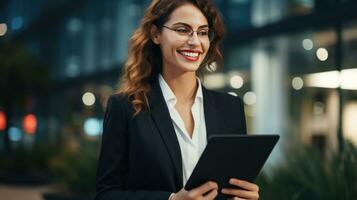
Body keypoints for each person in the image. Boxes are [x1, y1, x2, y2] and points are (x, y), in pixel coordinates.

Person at [95, 0, 260, 199]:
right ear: (156, 34)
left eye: (202, 32)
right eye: (182, 30)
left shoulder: (230, 108)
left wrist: (244, 196)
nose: (195, 42)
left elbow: (232, 185)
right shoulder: (125, 107)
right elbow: (106, 195)